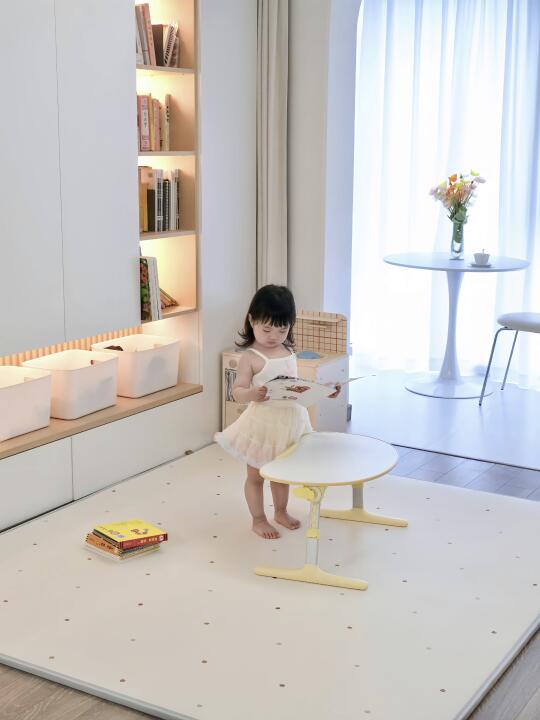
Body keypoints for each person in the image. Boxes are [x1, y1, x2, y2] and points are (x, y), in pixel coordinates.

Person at [214, 285, 340, 539]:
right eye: (267, 329)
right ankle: (258, 519)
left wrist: (324, 390)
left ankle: (280, 512)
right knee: (256, 475)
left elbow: (297, 385)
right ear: (252, 320)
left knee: (281, 473)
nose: (274, 336)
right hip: (263, 423)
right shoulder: (251, 357)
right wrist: (252, 393)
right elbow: (237, 391)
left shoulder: (287, 350)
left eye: (282, 330)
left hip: (290, 421)